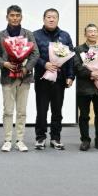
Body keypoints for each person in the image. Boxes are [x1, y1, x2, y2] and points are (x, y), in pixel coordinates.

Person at [0, 5, 39, 152]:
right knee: (8, 111)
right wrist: (5, 64)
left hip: (24, 78)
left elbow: (35, 54)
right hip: (7, 77)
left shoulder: (28, 34)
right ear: (7, 17)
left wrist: (26, 68)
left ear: (21, 17)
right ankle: (7, 140)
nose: (15, 18)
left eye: (17, 15)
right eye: (12, 15)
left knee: (21, 111)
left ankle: (20, 140)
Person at [33, 8, 75, 150]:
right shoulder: (35, 35)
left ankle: (55, 138)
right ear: (43, 19)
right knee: (41, 110)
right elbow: (32, 55)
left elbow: (71, 57)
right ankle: (40, 138)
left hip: (60, 79)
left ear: (58, 19)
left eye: (54, 17)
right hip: (42, 78)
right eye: (49, 17)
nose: (51, 19)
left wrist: (70, 76)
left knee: (57, 110)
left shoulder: (65, 36)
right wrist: (44, 64)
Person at [73, 24, 98, 151]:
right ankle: (85, 140)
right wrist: (91, 74)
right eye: (90, 31)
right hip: (84, 87)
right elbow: (77, 67)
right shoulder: (78, 49)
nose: (93, 33)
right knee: (84, 116)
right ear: (85, 34)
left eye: (95, 31)